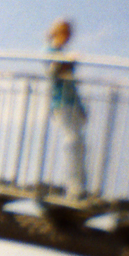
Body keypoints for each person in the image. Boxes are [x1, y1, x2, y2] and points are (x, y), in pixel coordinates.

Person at [44, 19, 87, 201]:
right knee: (72, 141)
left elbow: (68, 79)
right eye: (64, 33)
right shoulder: (50, 51)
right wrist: (66, 61)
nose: (67, 38)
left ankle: (78, 186)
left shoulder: (60, 52)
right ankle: (73, 187)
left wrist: (80, 106)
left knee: (78, 143)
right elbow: (53, 72)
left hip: (71, 102)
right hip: (61, 103)